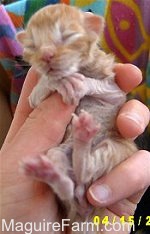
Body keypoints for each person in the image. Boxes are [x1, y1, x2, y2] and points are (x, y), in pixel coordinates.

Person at [0, 64, 150, 234]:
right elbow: (34, 99)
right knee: (56, 157)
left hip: (96, 150)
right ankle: (66, 182)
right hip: (74, 162)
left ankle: (71, 180)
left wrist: (89, 85)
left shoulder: (96, 64)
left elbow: (115, 93)